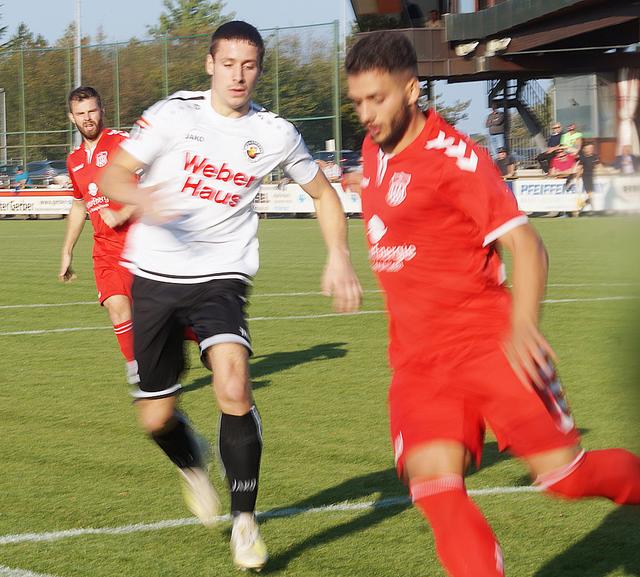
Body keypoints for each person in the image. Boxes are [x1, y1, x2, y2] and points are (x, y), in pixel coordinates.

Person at [345, 30, 640, 577]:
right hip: (418, 363)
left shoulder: (457, 160)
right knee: (435, 490)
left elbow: (526, 245)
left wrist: (523, 324)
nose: (365, 113)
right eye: (357, 100)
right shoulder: (373, 147)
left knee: (566, 480)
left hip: (488, 348)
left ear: (411, 91)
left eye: (377, 99)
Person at [99, 20, 362, 572]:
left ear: (259, 69)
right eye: (228, 64)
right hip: (153, 274)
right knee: (155, 418)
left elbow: (323, 193)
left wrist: (338, 255)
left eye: (249, 65)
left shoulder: (275, 133)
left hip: (222, 274)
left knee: (234, 383)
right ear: (209, 65)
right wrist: (144, 198)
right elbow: (113, 176)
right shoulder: (174, 115)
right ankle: (192, 465)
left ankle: (245, 520)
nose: (238, 75)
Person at [59, 87, 139, 383]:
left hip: (139, 242)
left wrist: (122, 213)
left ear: (102, 109)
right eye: (80, 113)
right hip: (104, 248)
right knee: (116, 306)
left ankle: (210, 338)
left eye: (91, 111)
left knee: (160, 316)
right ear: (72, 118)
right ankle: (137, 371)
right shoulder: (74, 160)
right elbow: (79, 204)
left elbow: (151, 185)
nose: (87, 118)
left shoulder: (123, 144)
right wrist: (67, 251)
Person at [577, 143, 600, 214]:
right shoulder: (583, 157)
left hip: (593, 177)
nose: (590, 150)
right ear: (585, 149)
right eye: (588, 148)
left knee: (591, 195)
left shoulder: (595, 156)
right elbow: (580, 168)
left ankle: (582, 207)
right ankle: (591, 209)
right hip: (586, 177)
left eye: (591, 148)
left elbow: (598, 165)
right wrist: (577, 176)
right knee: (590, 194)